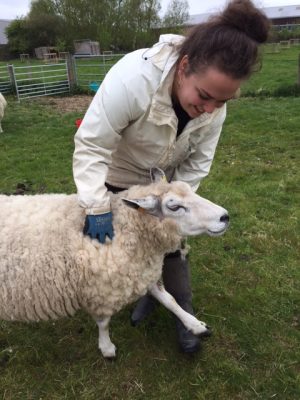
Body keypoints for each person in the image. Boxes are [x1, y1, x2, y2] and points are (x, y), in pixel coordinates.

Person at [73, 0, 269, 353]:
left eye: (222, 102)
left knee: (170, 245)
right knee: (122, 245)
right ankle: (139, 292)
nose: (210, 109)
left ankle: (183, 311)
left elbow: (197, 163)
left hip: (166, 177)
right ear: (184, 67)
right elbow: (92, 145)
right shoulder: (134, 79)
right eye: (206, 96)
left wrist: (176, 202)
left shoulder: (212, 109)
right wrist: (96, 204)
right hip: (119, 171)